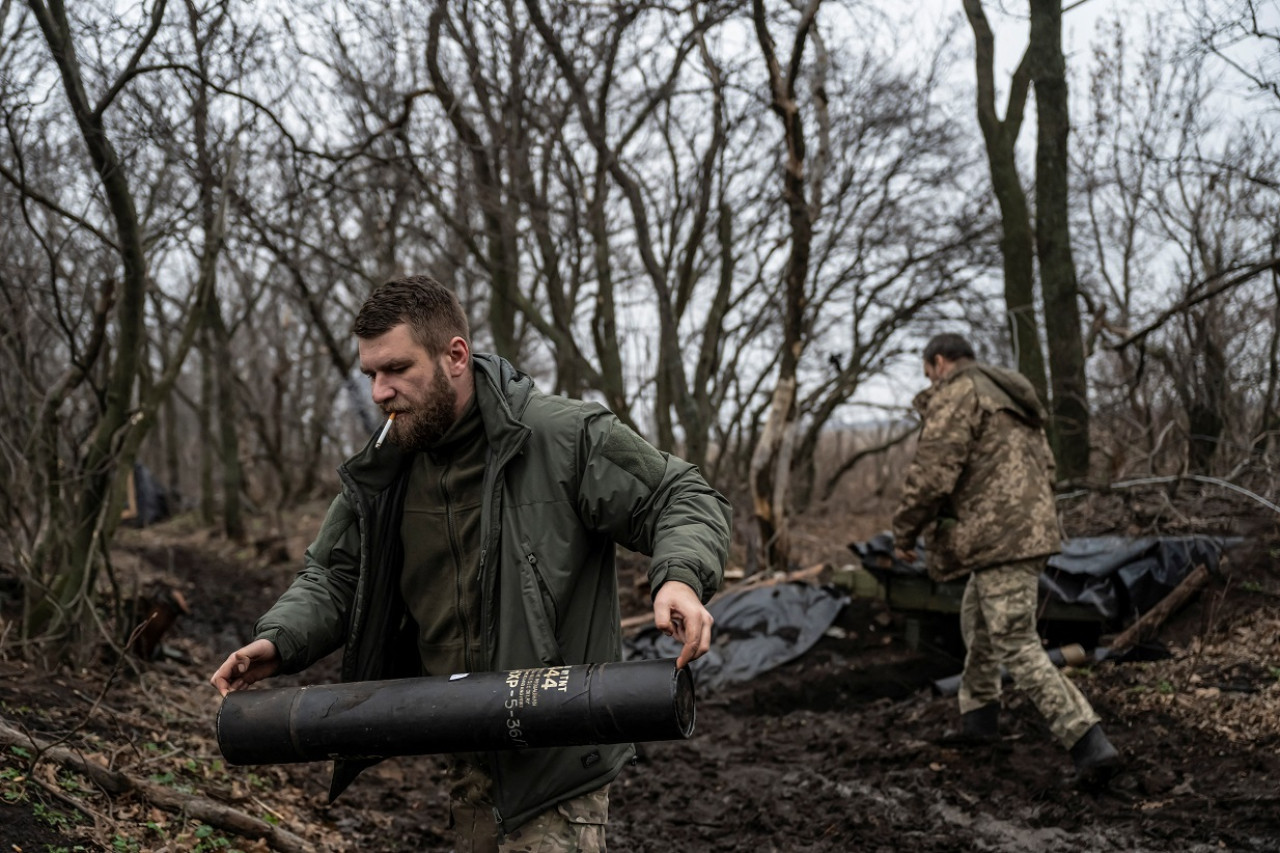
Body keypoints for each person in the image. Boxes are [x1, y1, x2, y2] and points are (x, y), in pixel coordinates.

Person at [210, 275, 732, 850]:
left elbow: (681, 496)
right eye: (371, 375)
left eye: (397, 370)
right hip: (462, 752)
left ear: (455, 355)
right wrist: (279, 640)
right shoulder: (386, 468)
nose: (379, 392)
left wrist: (680, 577)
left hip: (556, 761)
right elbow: (335, 574)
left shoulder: (561, 435)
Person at [891, 332, 1120, 785]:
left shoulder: (959, 393)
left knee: (1014, 640)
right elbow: (1047, 469)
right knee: (977, 622)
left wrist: (905, 530)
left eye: (928, 373)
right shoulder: (1010, 396)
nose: (930, 382)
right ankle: (979, 721)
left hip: (1000, 540)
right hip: (1026, 532)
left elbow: (933, 475)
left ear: (939, 362)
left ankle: (1088, 742)